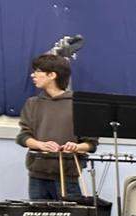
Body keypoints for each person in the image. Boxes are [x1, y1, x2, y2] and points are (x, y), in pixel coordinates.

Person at [16, 54, 98, 200]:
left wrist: (76, 147)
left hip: (68, 176)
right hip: (37, 175)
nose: (32, 75)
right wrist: (40, 145)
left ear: (52, 75)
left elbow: (91, 143)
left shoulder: (79, 104)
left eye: (37, 71)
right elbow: (23, 137)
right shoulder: (32, 103)